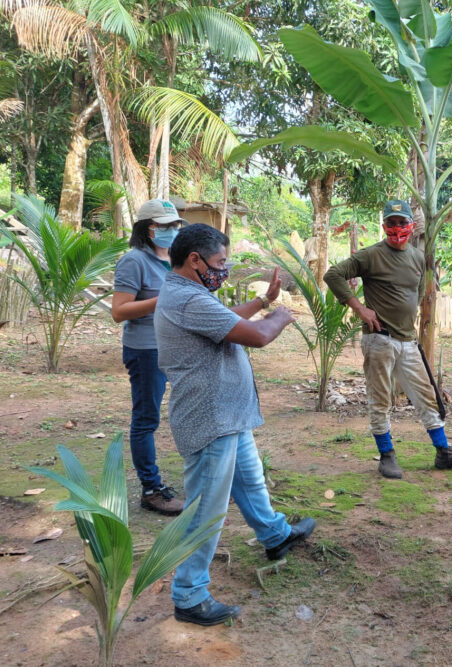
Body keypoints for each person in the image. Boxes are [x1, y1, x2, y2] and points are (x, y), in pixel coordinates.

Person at [155, 223, 316, 626]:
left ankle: (274, 534)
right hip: (211, 418)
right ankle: (189, 594)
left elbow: (227, 320)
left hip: (227, 414)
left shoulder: (189, 294)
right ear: (195, 260)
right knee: (205, 510)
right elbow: (257, 337)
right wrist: (280, 316)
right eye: (220, 262)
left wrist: (263, 301)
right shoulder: (186, 298)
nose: (223, 269)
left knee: (249, 479)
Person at [324, 199, 452, 479]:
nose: (397, 228)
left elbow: (417, 294)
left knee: (426, 397)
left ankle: (443, 452)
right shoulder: (370, 256)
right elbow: (333, 274)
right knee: (380, 399)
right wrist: (359, 307)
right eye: (391, 223)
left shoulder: (418, 258)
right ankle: (387, 455)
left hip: (408, 341)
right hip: (379, 339)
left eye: (401, 223)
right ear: (384, 226)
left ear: (411, 225)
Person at [111, 199, 186, 516]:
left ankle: (208, 481)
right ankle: (151, 490)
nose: (171, 231)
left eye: (174, 225)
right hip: (145, 350)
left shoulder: (174, 259)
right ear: (147, 228)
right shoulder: (133, 261)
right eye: (164, 226)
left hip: (175, 346)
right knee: (146, 420)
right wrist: (161, 300)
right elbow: (119, 311)